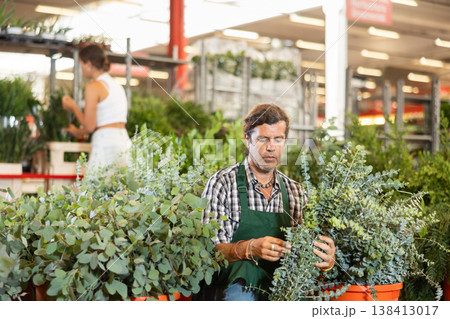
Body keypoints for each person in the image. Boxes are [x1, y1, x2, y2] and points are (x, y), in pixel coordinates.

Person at [201, 103, 336, 301]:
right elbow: (208, 252)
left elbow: (303, 253)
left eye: (278, 139)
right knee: (243, 270)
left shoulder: (295, 191)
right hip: (230, 292)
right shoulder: (222, 183)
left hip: (279, 291)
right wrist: (249, 248)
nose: (271, 147)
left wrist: (327, 260)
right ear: (247, 140)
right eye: (263, 139)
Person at [61, 44, 131, 174]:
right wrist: (77, 132)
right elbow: (106, 120)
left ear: (88, 64)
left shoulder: (93, 86)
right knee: (120, 190)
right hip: (123, 141)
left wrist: (73, 107)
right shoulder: (116, 85)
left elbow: (89, 126)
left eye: (81, 64)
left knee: (95, 189)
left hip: (105, 143)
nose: (81, 68)